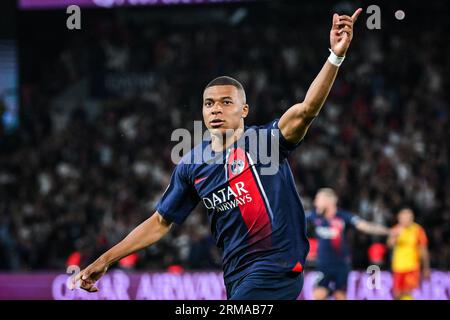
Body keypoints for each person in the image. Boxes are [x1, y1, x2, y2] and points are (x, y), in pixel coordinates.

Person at [73, 9, 363, 300]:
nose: (215, 109)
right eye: (209, 103)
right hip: (236, 276)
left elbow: (306, 109)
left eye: (226, 102)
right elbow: (160, 222)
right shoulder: (192, 164)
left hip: (277, 268)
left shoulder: (267, 142)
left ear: (244, 110)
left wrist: (335, 56)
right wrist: (105, 260)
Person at [307, 188, 390, 300]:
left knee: (340, 296)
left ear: (328, 201)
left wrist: (388, 231)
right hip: (323, 264)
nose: (315, 202)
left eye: (318, 199)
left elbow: (365, 226)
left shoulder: (344, 216)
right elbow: (294, 219)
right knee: (318, 295)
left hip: (341, 264)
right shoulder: (314, 216)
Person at [388, 208, 430, 300]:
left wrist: (426, 267)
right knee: (397, 294)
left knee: (407, 291)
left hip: (412, 267)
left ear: (412, 218)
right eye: (402, 217)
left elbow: (423, 249)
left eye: (407, 217)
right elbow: (389, 245)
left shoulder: (418, 230)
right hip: (397, 267)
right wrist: (394, 235)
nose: (405, 219)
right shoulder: (396, 229)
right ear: (399, 218)